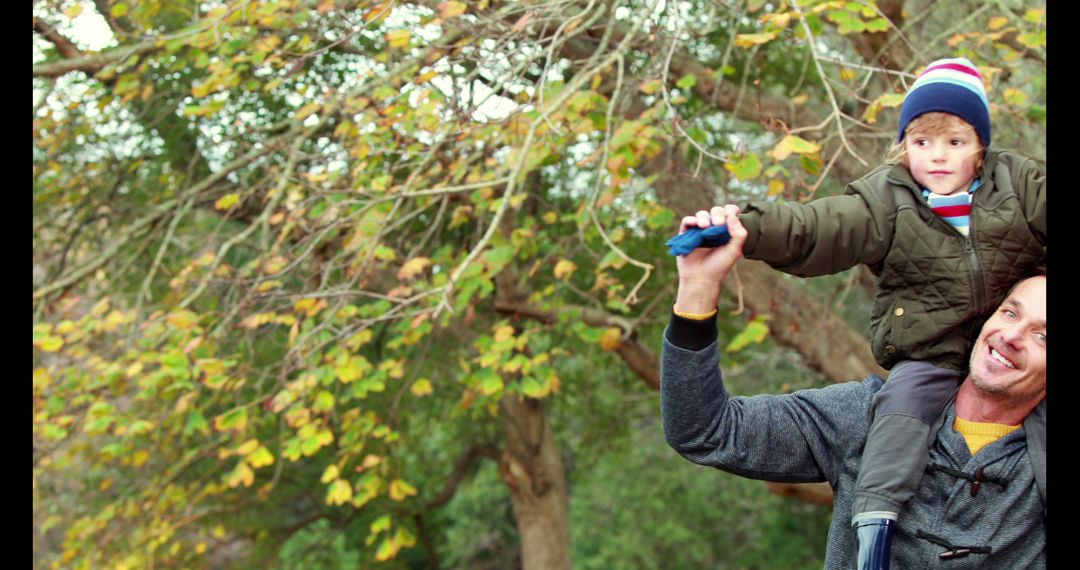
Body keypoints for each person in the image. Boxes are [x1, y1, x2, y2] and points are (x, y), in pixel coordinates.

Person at [665, 57, 1045, 569]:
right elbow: (818, 227)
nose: (1011, 335)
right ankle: (875, 530)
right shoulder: (860, 419)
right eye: (1010, 312)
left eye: (1045, 336)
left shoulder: (1019, 186)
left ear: (980, 149)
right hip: (924, 354)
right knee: (899, 426)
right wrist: (726, 254)